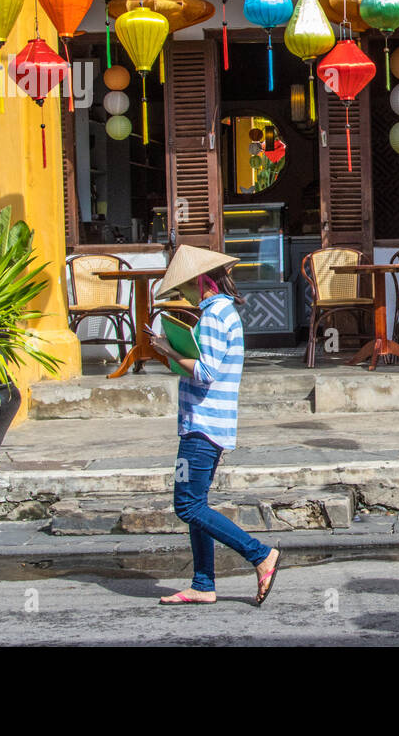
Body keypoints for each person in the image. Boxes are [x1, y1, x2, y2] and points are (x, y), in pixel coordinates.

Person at [148, 245, 281, 606]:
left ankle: (259, 554)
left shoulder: (212, 316)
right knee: (196, 503)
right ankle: (203, 583)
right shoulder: (222, 312)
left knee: (187, 505)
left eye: (186, 287)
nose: (184, 295)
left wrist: (168, 350)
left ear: (203, 281)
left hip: (201, 426)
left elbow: (205, 372)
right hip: (206, 423)